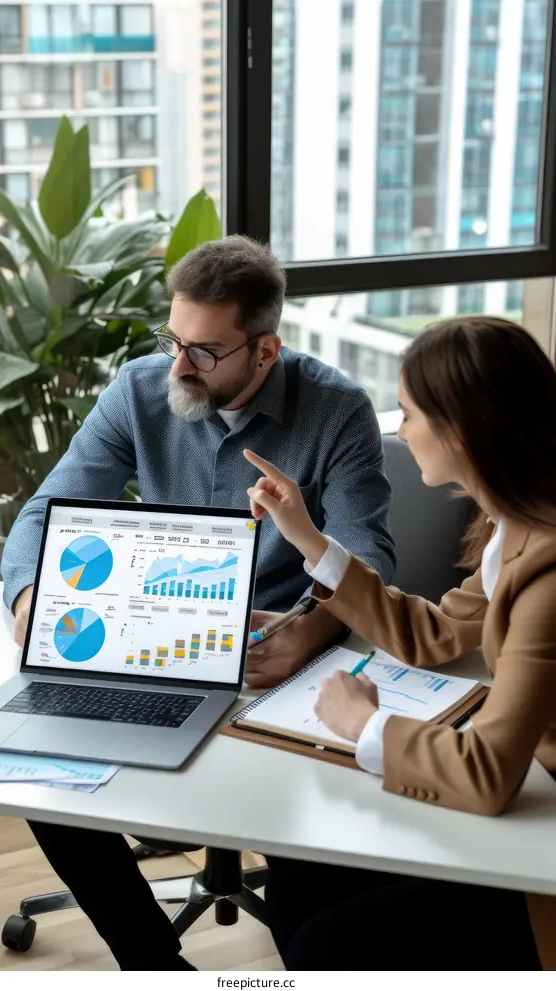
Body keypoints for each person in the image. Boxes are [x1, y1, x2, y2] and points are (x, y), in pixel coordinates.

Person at [1, 234, 395, 971]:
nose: (178, 365)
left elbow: (367, 555)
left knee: (309, 874)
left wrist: (307, 636)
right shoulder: (140, 388)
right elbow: (41, 512)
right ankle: (152, 961)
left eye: (205, 351)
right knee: (40, 763)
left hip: (279, 653)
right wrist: (30, 598)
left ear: (266, 349)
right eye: (174, 339)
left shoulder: (337, 408)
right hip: (156, 633)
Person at [244, 316, 556, 972]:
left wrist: (368, 722)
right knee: (296, 879)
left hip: (540, 845)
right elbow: (433, 633)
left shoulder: (548, 570)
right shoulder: (514, 524)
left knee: (323, 944)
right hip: (528, 797)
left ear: (463, 429)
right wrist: (306, 535)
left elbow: (488, 772)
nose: (402, 427)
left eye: (411, 412)